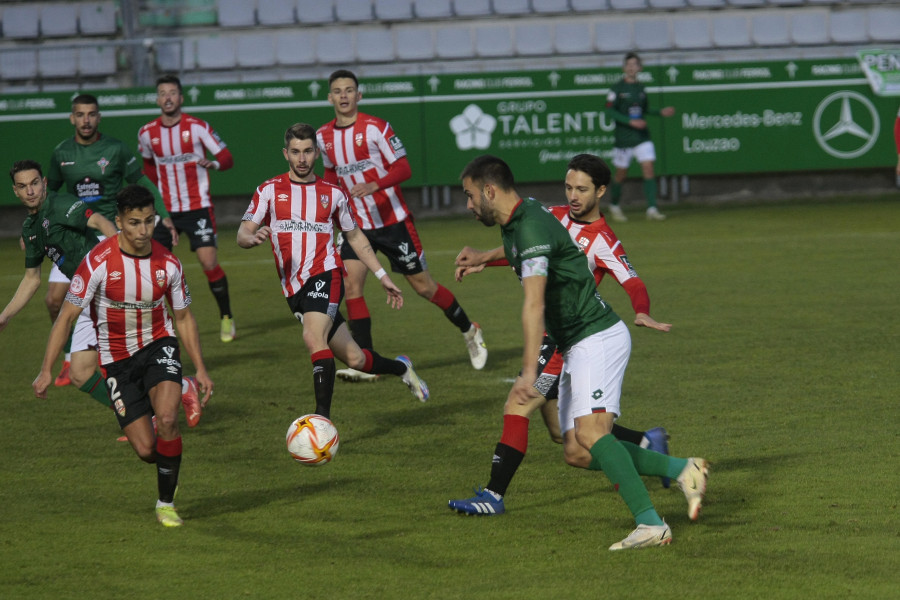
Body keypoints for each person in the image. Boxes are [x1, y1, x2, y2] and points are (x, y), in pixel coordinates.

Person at [450, 155, 708, 551]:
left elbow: (534, 304)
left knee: (589, 433)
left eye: (469, 196)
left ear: (489, 191)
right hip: (576, 341)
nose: (467, 205)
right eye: (568, 187)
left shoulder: (537, 223)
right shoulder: (528, 217)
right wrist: (484, 258)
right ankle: (681, 469)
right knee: (574, 449)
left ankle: (650, 523)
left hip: (595, 337)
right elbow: (524, 256)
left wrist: (526, 371)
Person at [33, 185, 213, 528]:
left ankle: (166, 503)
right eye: (134, 223)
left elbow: (184, 318)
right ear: (119, 222)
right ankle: (181, 391)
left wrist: (201, 368)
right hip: (117, 361)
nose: (143, 231)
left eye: (148, 221)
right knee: (147, 450)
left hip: (159, 345)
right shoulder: (98, 262)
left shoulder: (169, 263)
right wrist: (46, 369)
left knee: (168, 420)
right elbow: (66, 317)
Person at [237, 123, 430, 419]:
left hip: (326, 274)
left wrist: (383, 276)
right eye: (296, 152)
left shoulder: (334, 194)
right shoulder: (269, 190)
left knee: (313, 337)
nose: (302, 158)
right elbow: (243, 232)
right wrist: (251, 238)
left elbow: (354, 237)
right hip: (293, 289)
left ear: (317, 153)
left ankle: (321, 421)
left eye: (308, 151)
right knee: (355, 358)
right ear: (285, 154)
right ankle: (402, 368)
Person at [316, 69, 486, 382]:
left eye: (349, 90)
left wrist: (373, 185)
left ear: (358, 95)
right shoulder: (322, 136)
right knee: (352, 285)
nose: (343, 96)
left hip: (393, 222)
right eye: (337, 91)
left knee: (424, 287)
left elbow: (404, 167)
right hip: (356, 226)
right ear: (330, 97)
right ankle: (365, 363)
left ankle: (469, 329)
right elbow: (329, 176)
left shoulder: (376, 128)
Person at [47, 93, 176, 385]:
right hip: (74, 235)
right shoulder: (61, 153)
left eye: (91, 114)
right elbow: (50, 193)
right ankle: (70, 357)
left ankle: (120, 358)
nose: (86, 120)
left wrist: (163, 214)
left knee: (116, 301)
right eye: (80, 114)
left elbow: (140, 181)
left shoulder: (115, 149)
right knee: (55, 300)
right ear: (72, 118)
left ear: (99, 117)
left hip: (111, 233)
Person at [2, 160, 117, 412]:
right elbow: (32, 278)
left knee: (124, 363)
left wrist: (126, 256)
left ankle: (172, 396)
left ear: (43, 183)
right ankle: (139, 417)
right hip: (85, 298)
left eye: (34, 183)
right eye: (23, 186)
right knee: (80, 373)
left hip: (109, 290)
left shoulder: (60, 204)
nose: (30, 191)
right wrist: (5, 316)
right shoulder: (30, 228)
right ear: (15, 191)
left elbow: (99, 222)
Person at [138, 74, 237, 343]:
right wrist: (154, 202)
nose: (167, 97)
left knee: (208, 262)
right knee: (154, 270)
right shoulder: (147, 133)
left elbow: (226, 158)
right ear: (157, 99)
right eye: (162, 93)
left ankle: (226, 317)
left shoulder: (197, 127)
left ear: (181, 98)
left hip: (197, 208)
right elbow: (147, 168)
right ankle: (159, 326)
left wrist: (214, 165)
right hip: (164, 211)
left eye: (172, 93)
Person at [605, 52, 675, 222]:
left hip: (642, 137)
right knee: (621, 173)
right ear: (624, 68)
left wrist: (660, 112)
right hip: (624, 138)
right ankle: (614, 205)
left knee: (648, 168)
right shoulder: (617, 89)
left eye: (634, 64)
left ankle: (652, 208)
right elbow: (609, 110)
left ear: (639, 68)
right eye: (628, 64)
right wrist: (630, 122)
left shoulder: (641, 88)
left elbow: (644, 110)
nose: (631, 67)